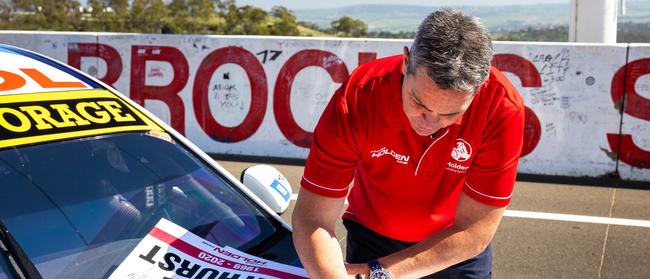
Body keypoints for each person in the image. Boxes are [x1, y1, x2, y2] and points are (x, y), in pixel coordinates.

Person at [292, 8, 525, 279]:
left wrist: (377, 274)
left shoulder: (501, 108)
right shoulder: (359, 96)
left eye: (451, 114)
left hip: (455, 246)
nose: (429, 122)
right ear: (406, 62)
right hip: (373, 237)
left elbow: (474, 231)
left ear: (480, 86)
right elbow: (313, 218)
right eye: (419, 103)